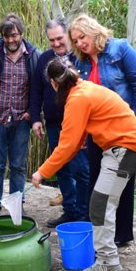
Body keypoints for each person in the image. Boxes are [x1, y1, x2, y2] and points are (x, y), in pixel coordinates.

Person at [31, 58, 136, 271]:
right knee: (102, 202)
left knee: (101, 203)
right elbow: (75, 142)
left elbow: (66, 146)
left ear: (54, 83)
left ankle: (107, 261)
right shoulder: (83, 89)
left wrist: (42, 172)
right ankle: (106, 255)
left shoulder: (78, 98)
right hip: (123, 148)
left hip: (125, 149)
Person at [69, 14, 136, 246]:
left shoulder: (121, 49)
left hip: (123, 130)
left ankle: (122, 235)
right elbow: (81, 102)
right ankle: (101, 232)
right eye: (75, 41)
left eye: (82, 37)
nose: (80, 43)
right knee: (97, 182)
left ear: (93, 30)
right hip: (97, 133)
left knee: (121, 183)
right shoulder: (81, 63)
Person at [0, 13, 39, 217]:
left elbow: (38, 88)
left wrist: (32, 112)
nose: (11, 40)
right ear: (2, 36)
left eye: (14, 35)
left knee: (18, 166)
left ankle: (16, 204)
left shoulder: (33, 55)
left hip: (21, 120)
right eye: (7, 36)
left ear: (21, 33)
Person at [30, 18, 90, 227]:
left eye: (59, 38)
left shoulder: (81, 56)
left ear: (68, 35)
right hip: (54, 123)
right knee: (62, 168)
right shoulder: (44, 58)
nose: (56, 43)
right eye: (51, 40)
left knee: (82, 170)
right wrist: (36, 119)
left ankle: (84, 214)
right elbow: (36, 89)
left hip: (80, 124)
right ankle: (70, 211)